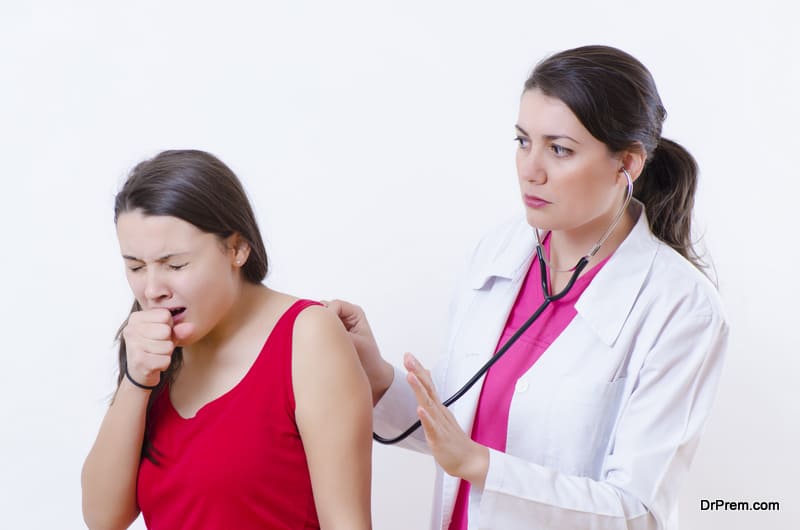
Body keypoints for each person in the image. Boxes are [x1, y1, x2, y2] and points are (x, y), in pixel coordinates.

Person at [328, 45, 729, 530]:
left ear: (627, 164)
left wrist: (480, 465)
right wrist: (375, 377)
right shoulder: (499, 252)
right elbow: (459, 427)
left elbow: (637, 512)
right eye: (523, 141)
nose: (529, 169)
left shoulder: (681, 307)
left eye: (559, 149)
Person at [81, 150, 373, 530]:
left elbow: (347, 523)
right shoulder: (151, 352)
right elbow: (103, 519)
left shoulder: (308, 337)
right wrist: (136, 381)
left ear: (237, 248)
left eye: (175, 265)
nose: (152, 289)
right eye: (135, 266)